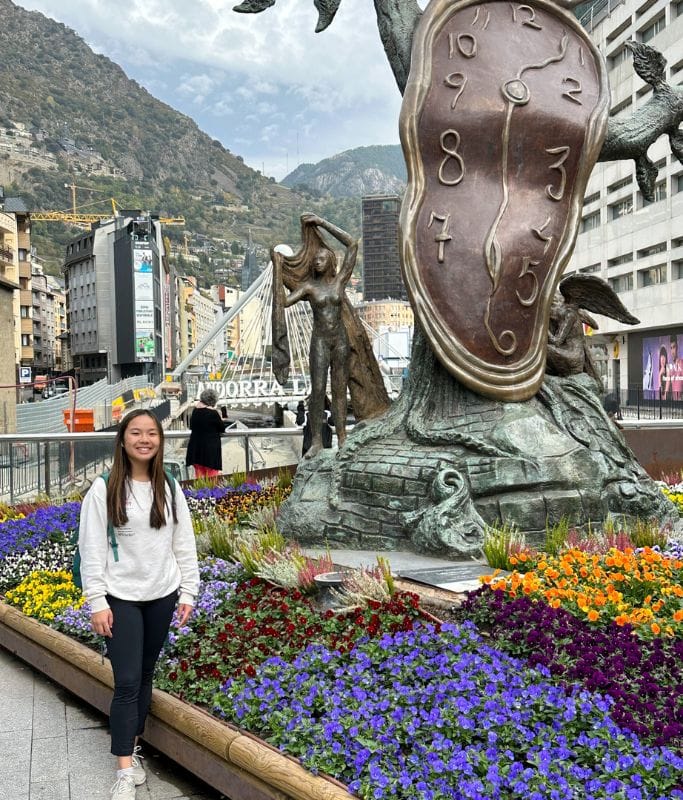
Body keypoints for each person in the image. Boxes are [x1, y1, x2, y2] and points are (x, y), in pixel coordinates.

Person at [77, 410, 199, 800]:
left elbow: (185, 543)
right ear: (123, 439)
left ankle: (133, 744)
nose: (144, 439)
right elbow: (91, 548)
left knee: (145, 675)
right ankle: (124, 770)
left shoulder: (168, 486)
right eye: (136, 433)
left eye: (151, 433)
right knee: (127, 682)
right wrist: (97, 601)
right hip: (120, 598)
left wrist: (189, 592)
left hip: (162, 596)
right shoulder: (104, 487)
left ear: (160, 440)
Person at [185, 388, 227, 478]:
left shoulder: (195, 411)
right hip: (210, 452)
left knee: (199, 480)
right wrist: (222, 419)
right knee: (212, 480)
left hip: (196, 450)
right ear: (213, 400)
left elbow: (191, 426)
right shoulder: (213, 414)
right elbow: (222, 428)